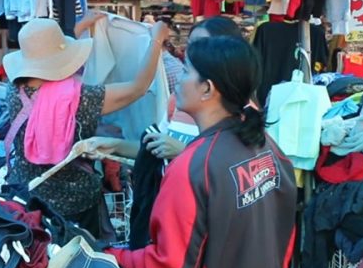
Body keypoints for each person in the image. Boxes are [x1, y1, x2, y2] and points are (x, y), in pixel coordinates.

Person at [106, 36, 298, 268]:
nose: (178, 82)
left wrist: (110, 256)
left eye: (185, 72)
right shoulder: (266, 146)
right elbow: (285, 233)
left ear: (207, 88)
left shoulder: (194, 165)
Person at [3, 17, 168, 237]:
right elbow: (138, 88)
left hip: (28, 198)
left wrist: (79, 28)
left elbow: (52, 60)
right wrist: (156, 40)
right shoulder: (80, 98)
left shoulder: (14, 91)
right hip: (78, 204)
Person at [88, 16, 245, 161]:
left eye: (202, 44)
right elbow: (158, 145)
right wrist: (115, 145)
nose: (192, 51)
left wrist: (184, 151)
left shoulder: (244, 114)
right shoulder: (180, 101)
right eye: (190, 44)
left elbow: (233, 169)